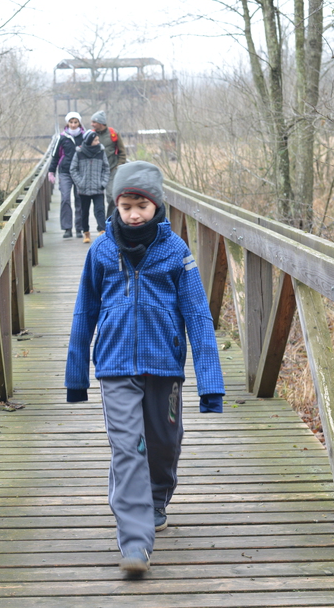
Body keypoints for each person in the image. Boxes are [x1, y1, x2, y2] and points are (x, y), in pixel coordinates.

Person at [63, 161, 225, 577]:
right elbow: (84, 313)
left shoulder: (176, 252)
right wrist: (75, 376)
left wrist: (211, 384)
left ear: (157, 205)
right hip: (115, 366)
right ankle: (135, 542)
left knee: (163, 442)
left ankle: (156, 499)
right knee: (128, 448)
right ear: (114, 205)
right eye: (125, 205)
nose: (133, 214)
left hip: (164, 367)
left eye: (142, 205)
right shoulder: (101, 250)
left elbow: (199, 317)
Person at [48, 112, 86, 238]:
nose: (73, 125)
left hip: (80, 172)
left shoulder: (85, 137)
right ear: (67, 123)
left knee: (79, 199)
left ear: (79, 123)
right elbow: (55, 156)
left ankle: (79, 228)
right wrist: (51, 171)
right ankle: (67, 228)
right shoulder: (62, 137)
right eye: (71, 122)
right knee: (65, 199)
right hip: (65, 171)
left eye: (76, 122)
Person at [69, 130, 109, 243]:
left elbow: (106, 168)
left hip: (98, 188)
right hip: (83, 189)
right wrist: (80, 183)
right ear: (89, 141)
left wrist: (103, 183)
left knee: (100, 210)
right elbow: (73, 169)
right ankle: (86, 233)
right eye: (95, 140)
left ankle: (102, 231)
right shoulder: (79, 152)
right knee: (84, 212)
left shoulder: (101, 152)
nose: (98, 142)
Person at [90, 110, 127, 219]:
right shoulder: (91, 134)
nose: (92, 124)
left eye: (94, 122)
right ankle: (101, 224)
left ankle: (111, 220)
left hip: (112, 169)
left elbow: (122, 151)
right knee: (97, 199)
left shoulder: (113, 133)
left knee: (111, 196)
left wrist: (119, 165)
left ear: (101, 123)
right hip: (96, 172)